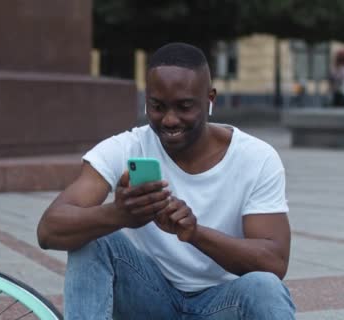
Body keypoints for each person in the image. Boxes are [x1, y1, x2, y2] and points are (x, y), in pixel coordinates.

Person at [36, 42, 295, 319]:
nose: (170, 120)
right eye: (157, 107)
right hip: (148, 299)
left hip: (221, 306)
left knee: (264, 287)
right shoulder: (125, 148)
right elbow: (49, 231)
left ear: (210, 99)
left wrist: (194, 233)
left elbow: (274, 262)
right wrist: (118, 214)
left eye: (184, 107)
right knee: (93, 238)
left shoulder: (256, 158)